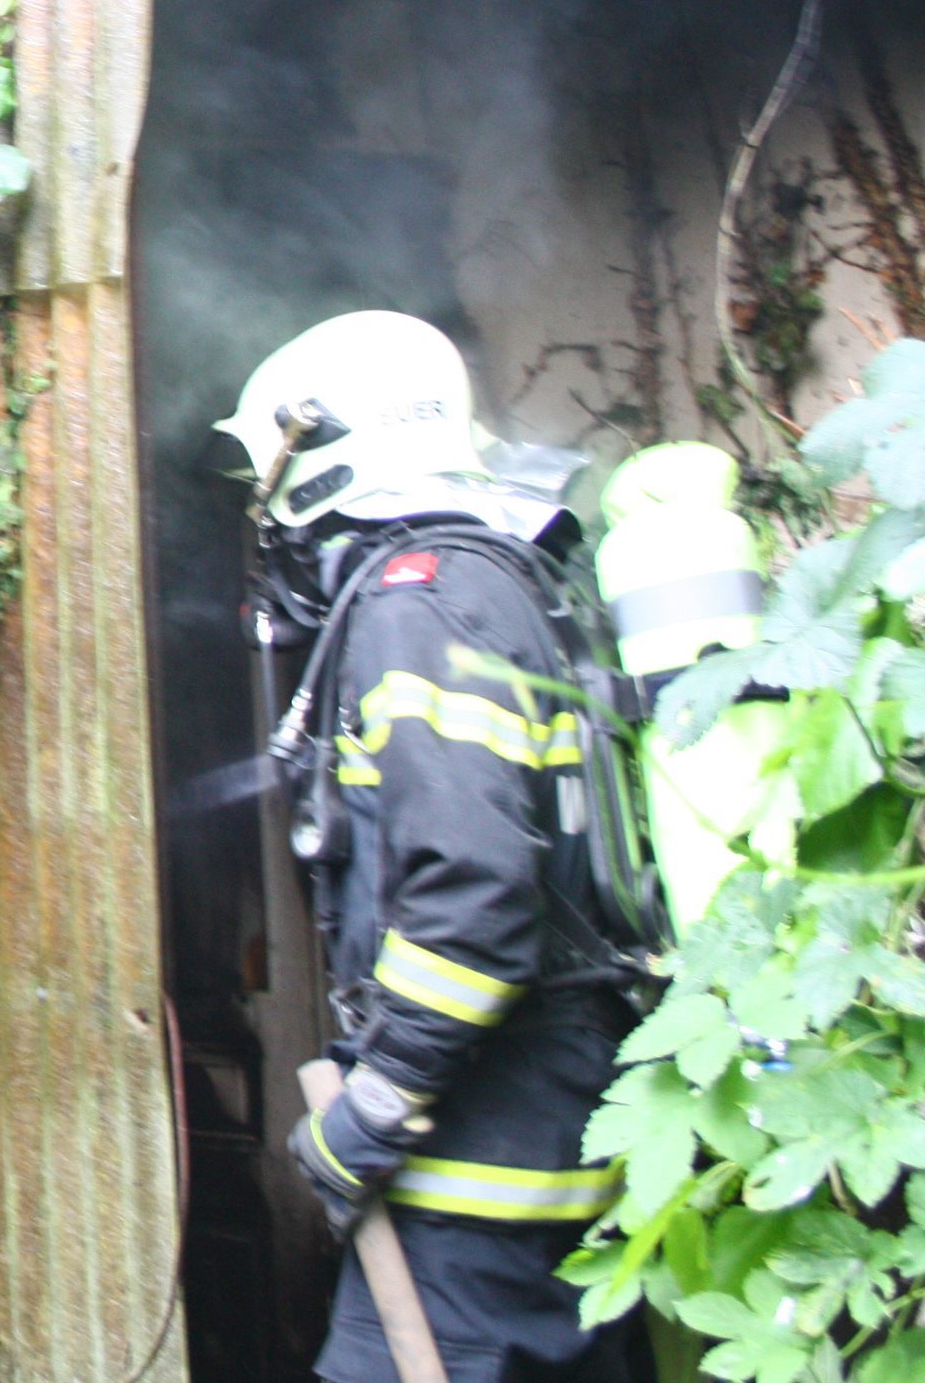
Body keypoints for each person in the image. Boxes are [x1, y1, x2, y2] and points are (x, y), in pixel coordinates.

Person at [220, 312, 648, 1383]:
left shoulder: (421, 601)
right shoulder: (504, 581)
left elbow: (474, 896)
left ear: (324, 449)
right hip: (553, 1139)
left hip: (479, 1170)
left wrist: (377, 1102)